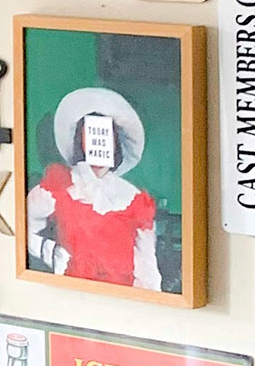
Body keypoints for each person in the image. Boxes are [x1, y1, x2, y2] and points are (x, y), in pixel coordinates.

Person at [25, 88, 161, 292]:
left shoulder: (134, 199)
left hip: (122, 302)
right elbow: (23, 224)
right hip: (70, 294)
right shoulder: (60, 186)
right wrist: (50, 253)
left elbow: (147, 264)